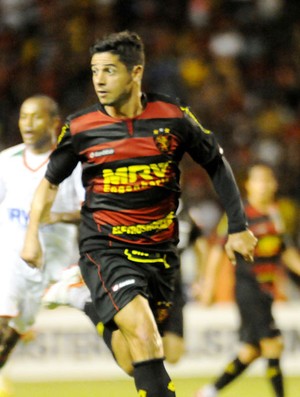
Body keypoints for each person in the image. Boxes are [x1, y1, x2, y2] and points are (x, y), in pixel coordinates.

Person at [21, 31, 257, 397]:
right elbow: (48, 183)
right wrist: (32, 234)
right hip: (106, 248)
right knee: (146, 337)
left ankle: (85, 303)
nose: (98, 80)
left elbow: (216, 162)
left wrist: (238, 227)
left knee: (137, 359)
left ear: (136, 73)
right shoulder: (82, 127)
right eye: (95, 71)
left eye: (109, 71)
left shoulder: (173, 117)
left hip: (161, 252)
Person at [41, 198, 207, 367]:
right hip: (139, 282)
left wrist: (201, 279)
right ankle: (84, 300)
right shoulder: (136, 205)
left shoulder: (185, 216)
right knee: (130, 364)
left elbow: (200, 244)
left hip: (171, 288)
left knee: (173, 354)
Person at [0, 95, 84, 396]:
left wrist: (55, 216)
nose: (28, 124)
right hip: (10, 257)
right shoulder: (6, 161)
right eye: (24, 117)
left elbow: (90, 210)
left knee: (10, 338)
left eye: (36, 117)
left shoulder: (72, 165)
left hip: (52, 264)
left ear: (54, 123)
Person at [195, 163, 300, 397]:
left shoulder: (274, 214)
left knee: (251, 351)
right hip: (248, 288)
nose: (264, 186)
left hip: (267, 290)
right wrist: (208, 287)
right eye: (259, 181)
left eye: (268, 181)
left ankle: (209, 392)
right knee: (274, 344)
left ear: (274, 185)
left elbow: (286, 251)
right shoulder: (239, 214)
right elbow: (216, 251)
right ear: (249, 186)